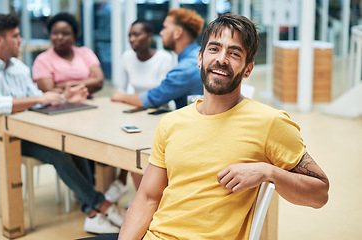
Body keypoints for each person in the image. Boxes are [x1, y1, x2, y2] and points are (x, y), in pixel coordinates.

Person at [81, 13, 330, 240]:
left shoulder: (270, 122)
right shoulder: (171, 122)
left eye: (234, 53)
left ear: (248, 69)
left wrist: (269, 172)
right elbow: (147, 198)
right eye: (214, 49)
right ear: (200, 58)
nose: (221, 59)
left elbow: (320, 194)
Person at [0, 13, 125, 234]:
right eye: (15, 36)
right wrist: (39, 99)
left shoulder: (19, 68)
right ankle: (102, 206)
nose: (21, 40)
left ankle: (91, 212)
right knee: (57, 152)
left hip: (27, 131)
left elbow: (38, 99)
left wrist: (64, 99)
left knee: (73, 144)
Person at [105, 19, 173, 203]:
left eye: (137, 34)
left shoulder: (164, 58)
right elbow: (123, 89)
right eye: (130, 35)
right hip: (134, 111)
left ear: (150, 37)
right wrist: (126, 101)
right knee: (121, 136)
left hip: (157, 114)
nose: (132, 39)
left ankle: (125, 184)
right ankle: (133, 189)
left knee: (136, 144)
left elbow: (159, 96)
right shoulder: (127, 57)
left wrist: (126, 98)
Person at [111, 8, 205, 110]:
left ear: (178, 33)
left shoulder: (187, 67)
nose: (161, 33)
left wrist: (121, 96)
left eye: (165, 28)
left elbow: (153, 98)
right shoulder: (196, 56)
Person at [32, 12, 104, 95]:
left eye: (65, 34)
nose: (60, 37)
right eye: (55, 33)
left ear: (74, 36)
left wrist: (63, 85)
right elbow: (49, 90)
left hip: (87, 101)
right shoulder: (42, 60)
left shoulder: (85, 53)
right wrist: (86, 84)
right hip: (57, 105)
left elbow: (99, 82)